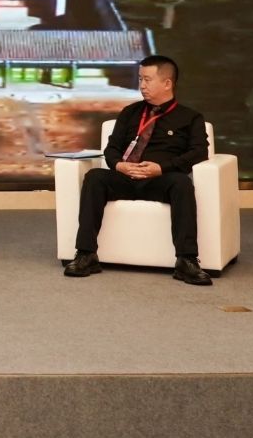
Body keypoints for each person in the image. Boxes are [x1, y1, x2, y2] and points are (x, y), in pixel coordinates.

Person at [64, 54, 214, 286]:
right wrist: (119, 165)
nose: (142, 85)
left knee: (182, 183)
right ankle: (86, 254)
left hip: (160, 180)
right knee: (95, 177)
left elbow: (199, 152)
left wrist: (161, 168)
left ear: (167, 83)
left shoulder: (190, 117)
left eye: (147, 79)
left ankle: (186, 260)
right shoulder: (130, 112)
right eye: (140, 79)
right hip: (125, 178)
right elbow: (112, 148)